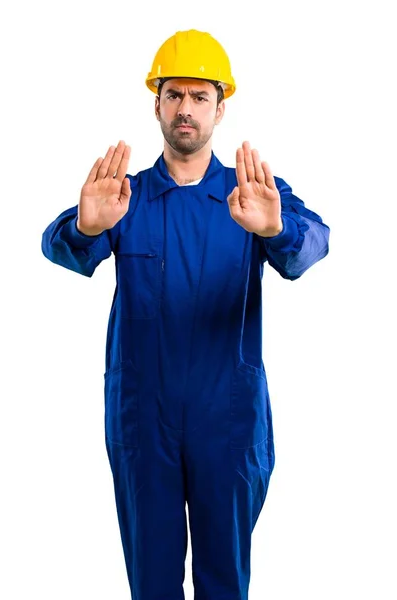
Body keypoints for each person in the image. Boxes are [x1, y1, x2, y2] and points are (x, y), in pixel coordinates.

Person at [41, 28, 330, 600]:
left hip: (227, 418)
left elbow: (313, 244)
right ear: (156, 104)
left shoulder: (251, 193)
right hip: (143, 419)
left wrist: (275, 229)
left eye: (200, 97)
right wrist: (85, 226)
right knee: (151, 581)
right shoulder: (125, 196)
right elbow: (59, 246)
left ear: (221, 109)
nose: (186, 109)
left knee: (225, 579)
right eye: (175, 95)